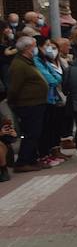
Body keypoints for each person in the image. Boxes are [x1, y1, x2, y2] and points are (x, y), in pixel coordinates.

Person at [8, 36, 48, 172]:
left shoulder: (27, 62)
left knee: (35, 133)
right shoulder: (19, 65)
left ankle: (31, 159)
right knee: (30, 133)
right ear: (26, 48)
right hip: (27, 104)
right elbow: (14, 87)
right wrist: (13, 103)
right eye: (34, 46)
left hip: (36, 103)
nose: (35, 48)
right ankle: (23, 162)